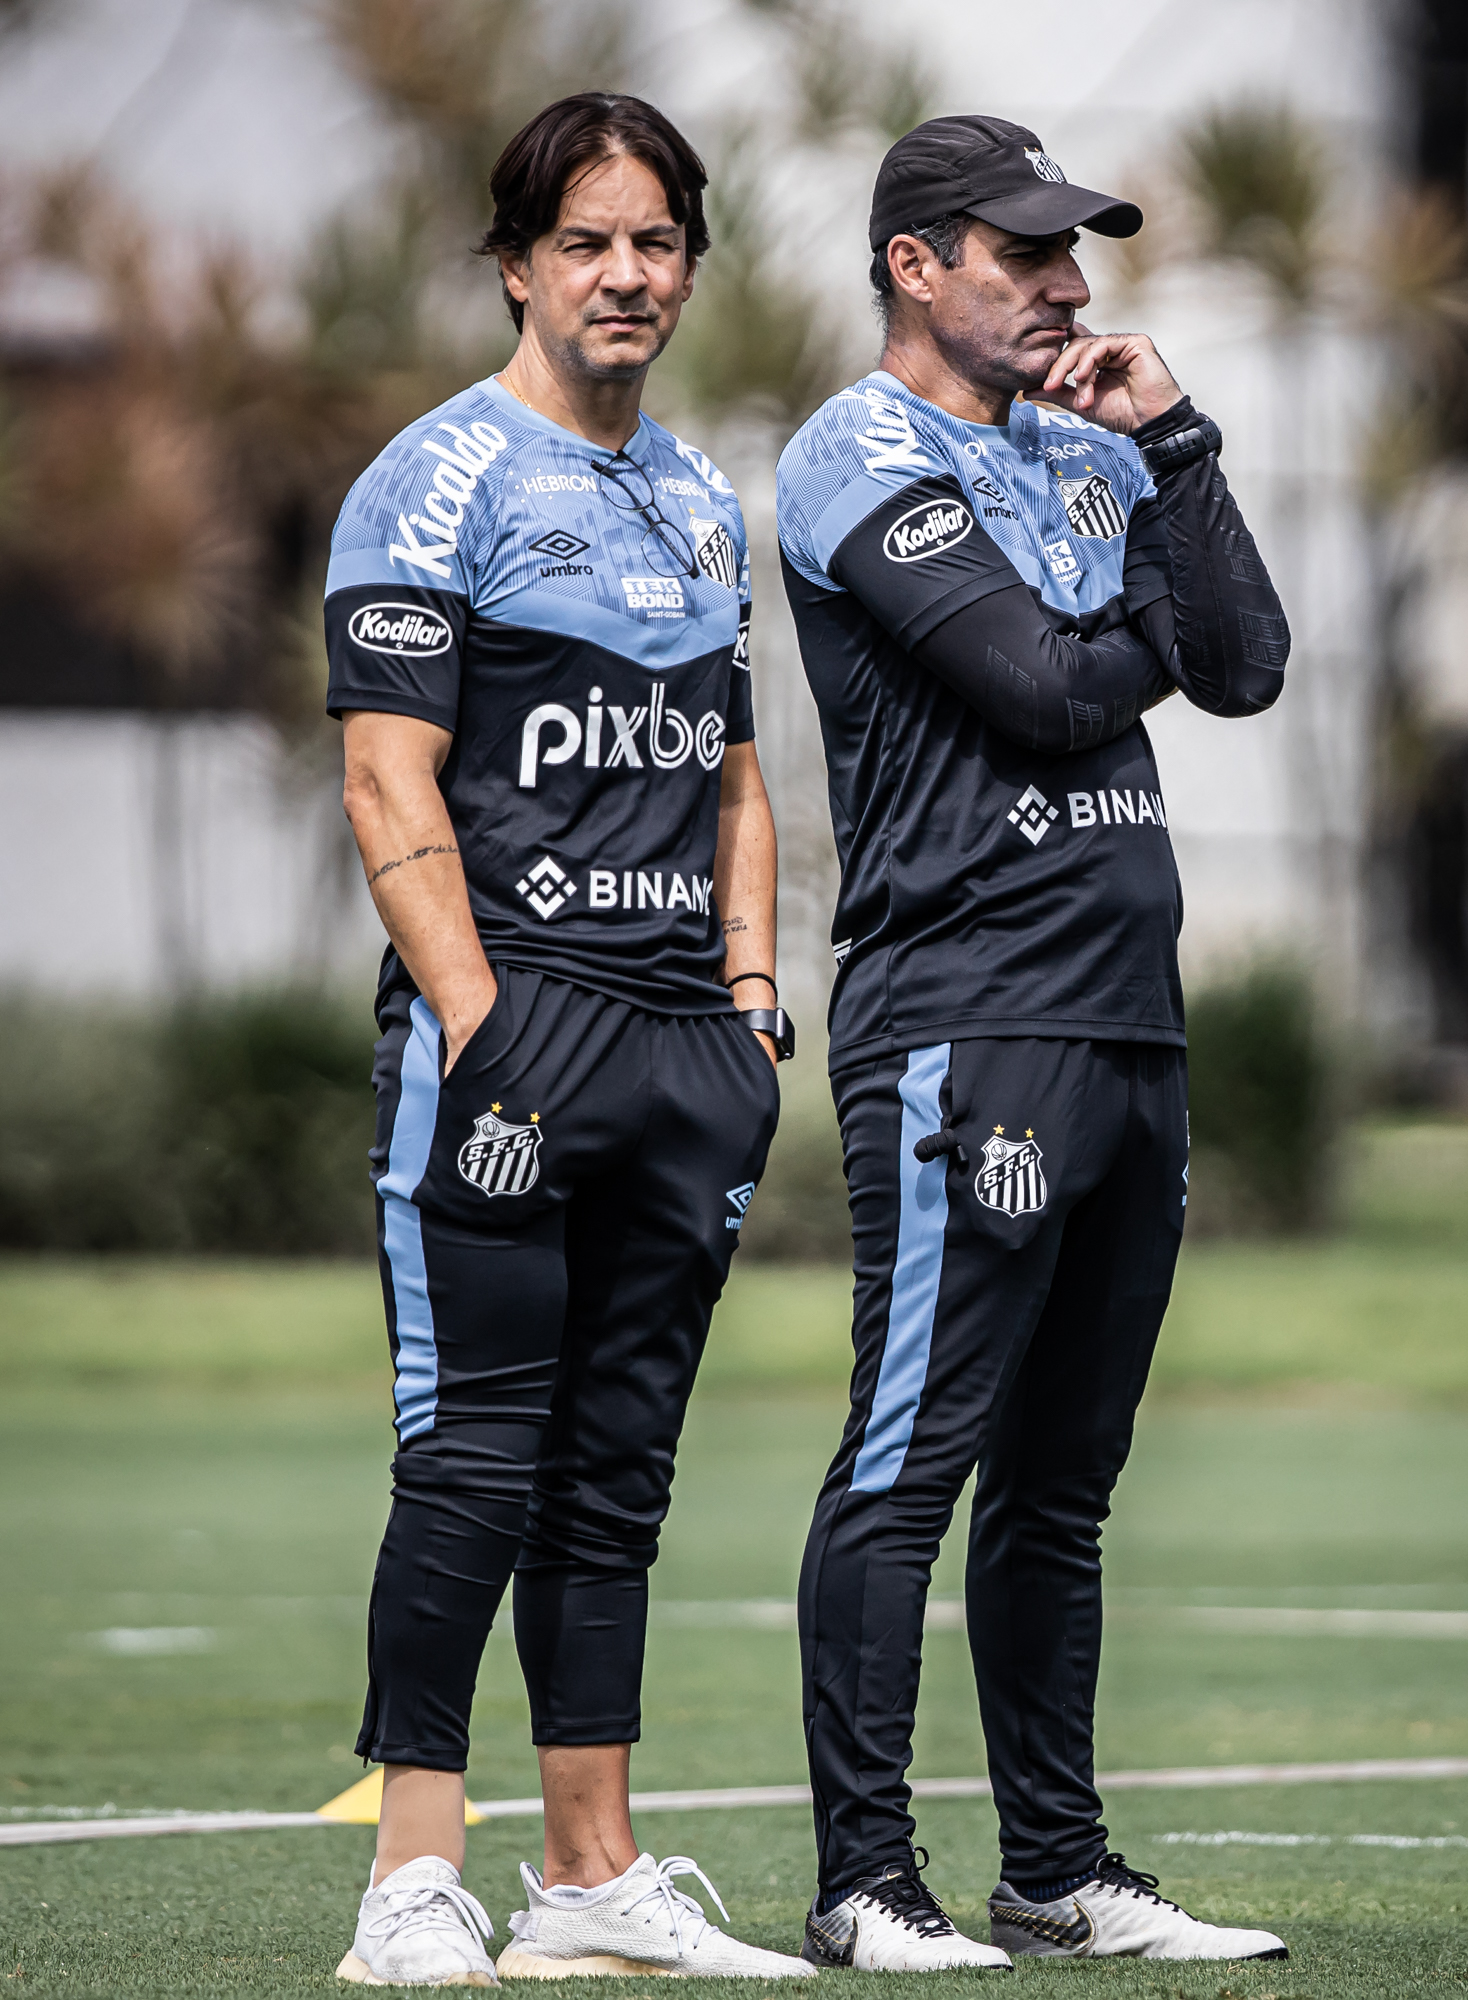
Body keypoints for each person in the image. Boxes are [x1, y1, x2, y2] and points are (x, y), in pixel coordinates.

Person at [774, 114, 1292, 1970]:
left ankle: (1057, 1871)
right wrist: (1155, 606)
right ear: (915, 265)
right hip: (963, 1022)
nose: (1069, 287)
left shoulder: (1095, 443)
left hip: (1127, 1020)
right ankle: (863, 1883)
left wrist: (1174, 441)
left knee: (1062, 1486)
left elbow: (1247, 664)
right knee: (911, 1461)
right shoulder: (853, 454)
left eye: (1074, 253)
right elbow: (1049, 687)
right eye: (1024, 253)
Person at [324, 92, 809, 1987]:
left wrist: (751, 1008)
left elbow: (735, 779)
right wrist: (480, 1025)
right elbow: (387, 783)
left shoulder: (698, 495)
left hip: (685, 1049)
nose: (626, 274)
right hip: (507, 1037)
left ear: (690, 265)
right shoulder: (433, 480)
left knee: (617, 1476)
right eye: (587, 242)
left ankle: (590, 1883)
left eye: (656, 241)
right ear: (518, 265)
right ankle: (409, 1889)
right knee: (471, 1460)